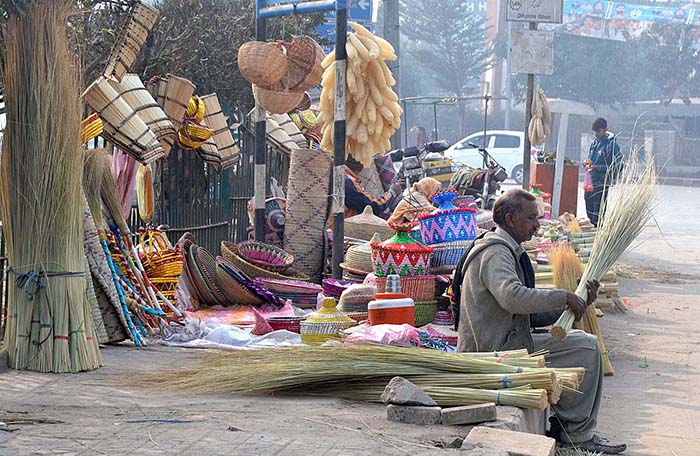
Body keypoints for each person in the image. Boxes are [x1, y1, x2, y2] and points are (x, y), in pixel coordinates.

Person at [453, 189, 626, 454]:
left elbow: (527, 315)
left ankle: (568, 427)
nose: (537, 225)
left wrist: (577, 303)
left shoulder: (509, 250)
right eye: (531, 218)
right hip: (494, 351)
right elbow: (512, 298)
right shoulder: (496, 253)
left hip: (511, 340)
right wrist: (563, 296)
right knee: (587, 348)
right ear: (510, 219)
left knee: (583, 345)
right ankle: (576, 435)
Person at [585, 117, 622, 227]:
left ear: (605, 129)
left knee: (598, 211)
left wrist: (598, 167)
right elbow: (590, 159)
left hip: (602, 182)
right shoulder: (594, 144)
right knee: (588, 205)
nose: (596, 134)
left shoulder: (611, 145)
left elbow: (617, 165)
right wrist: (587, 164)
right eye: (594, 131)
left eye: (598, 131)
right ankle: (591, 229)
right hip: (591, 181)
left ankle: (597, 233)